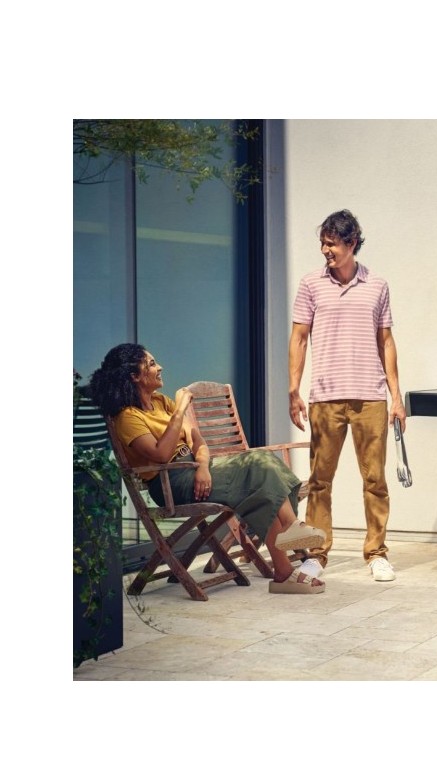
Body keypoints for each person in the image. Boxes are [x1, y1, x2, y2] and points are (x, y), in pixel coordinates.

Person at [88, 343, 326, 594]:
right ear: (134, 376)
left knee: (262, 479)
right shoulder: (127, 417)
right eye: (151, 364)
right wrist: (180, 409)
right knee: (258, 466)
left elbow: (197, 439)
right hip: (171, 484)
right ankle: (290, 534)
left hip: (196, 469)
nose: (160, 367)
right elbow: (161, 455)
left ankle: (284, 570)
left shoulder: (160, 402)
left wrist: (202, 467)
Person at [289, 209, 407, 581]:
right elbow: (299, 338)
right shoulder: (311, 284)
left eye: (332, 243)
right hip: (325, 397)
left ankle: (376, 554)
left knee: (375, 480)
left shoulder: (377, 285)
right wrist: (293, 389)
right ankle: (316, 555)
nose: (326, 250)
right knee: (319, 480)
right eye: (322, 243)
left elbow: (386, 341)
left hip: (370, 397)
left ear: (351, 242)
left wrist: (397, 398)